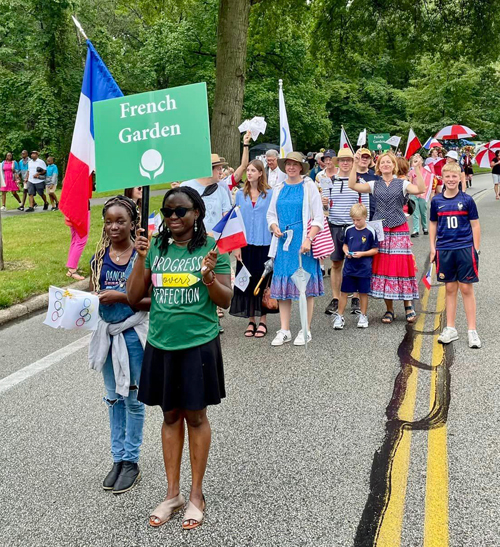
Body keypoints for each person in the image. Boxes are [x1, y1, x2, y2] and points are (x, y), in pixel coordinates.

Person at [127, 187, 232, 530]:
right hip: (160, 344)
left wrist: (209, 278)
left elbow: (226, 299)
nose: (173, 218)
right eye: (167, 212)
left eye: (181, 212)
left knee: (196, 416)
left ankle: (196, 495)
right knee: (170, 415)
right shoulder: (155, 246)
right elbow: (133, 297)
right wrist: (140, 257)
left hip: (198, 344)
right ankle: (172, 494)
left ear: (197, 213)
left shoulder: (212, 248)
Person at [88, 195, 150, 494]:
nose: (114, 227)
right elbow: (92, 299)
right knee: (113, 398)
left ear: (132, 223)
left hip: (133, 335)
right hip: (107, 336)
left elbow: (154, 301)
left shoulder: (143, 257)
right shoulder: (98, 259)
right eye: (109, 222)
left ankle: (132, 461)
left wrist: (122, 297)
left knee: (133, 400)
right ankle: (118, 457)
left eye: (120, 221)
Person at [349, 151, 425, 324]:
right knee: (384, 266)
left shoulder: (403, 183)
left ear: (393, 165)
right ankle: (389, 309)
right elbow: (352, 184)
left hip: (399, 227)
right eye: (382, 162)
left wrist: (417, 168)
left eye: (389, 163)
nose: (385, 165)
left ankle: (408, 306)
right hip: (381, 229)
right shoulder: (374, 184)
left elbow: (420, 189)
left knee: (401, 265)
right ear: (378, 166)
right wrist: (355, 164)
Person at [267, 151, 324, 346]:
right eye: (288, 164)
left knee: (304, 285)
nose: (291, 167)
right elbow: (271, 214)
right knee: (283, 285)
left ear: (301, 167)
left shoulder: (309, 187)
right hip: (283, 243)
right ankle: (284, 329)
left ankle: (305, 329)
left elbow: (318, 217)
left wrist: (309, 239)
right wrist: (274, 227)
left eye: (295, 164)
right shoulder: (279, 187)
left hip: (302, 242)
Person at [429, 162, 481, 349]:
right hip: (444, 249)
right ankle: (450, 328)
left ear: (460, 178)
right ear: (443, 178)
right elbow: (433, 224)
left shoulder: (467, 200)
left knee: (466, 288)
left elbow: (475, 224)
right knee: (450, 288)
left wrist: (475, 248)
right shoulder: (436, 201)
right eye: (447, 177)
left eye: (454, 176)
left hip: (464, 248)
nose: (451, 180)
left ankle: (472, 330)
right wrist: (433, 248)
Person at [230, 160, 277, 337]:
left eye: (252, 170)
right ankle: (251, 320)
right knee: (246, 281)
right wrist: (236, 246)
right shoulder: (240, 195)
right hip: (245, 244)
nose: (248, 173)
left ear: (260, 173)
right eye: (247, 170)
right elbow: (235, 220)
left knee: (262, 281)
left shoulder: (270, 194)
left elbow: (274, 217)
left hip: (264, 243)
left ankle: (263, 320)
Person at [321, 148, 370, 316]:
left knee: (356, 263)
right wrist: (324, 203)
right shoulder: (329, 181)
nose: (345, 163)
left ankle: (356, 297)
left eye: (349, 160)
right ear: (338, 162)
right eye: (342, 160)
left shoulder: (360, 180)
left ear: (353, 162)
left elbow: (366, 208)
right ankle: (336, 298)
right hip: (335, 226)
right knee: (335, 264)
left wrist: (366, 228)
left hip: (353, 227)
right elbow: (325, 208)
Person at [333, 203, 378, 330]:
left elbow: (375, 250)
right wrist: (346, 251)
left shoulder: (370, 231)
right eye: (353, 220)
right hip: (349, 267)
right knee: (344, 292)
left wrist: (362, 254)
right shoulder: (349, 230)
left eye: (358, 220)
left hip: (364, 267)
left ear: (365, 217)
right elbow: (345, 245)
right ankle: (339, 316)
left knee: (363, 293)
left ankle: (363, 315)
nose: (356, 222)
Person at [409, 154, 433, 237]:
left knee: (423, 212)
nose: (417, 161)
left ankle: (425, 227)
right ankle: (416, 230)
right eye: (415, 160)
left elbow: (429, 182)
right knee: (415, 213)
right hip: (414, 195)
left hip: (423, 194)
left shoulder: (426, 172)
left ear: (422, 161)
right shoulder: (412, 172)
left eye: (419, 159)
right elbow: (410, 183)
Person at [356, 147, 377, 220]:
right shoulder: (351, 175)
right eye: (362, 157)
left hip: (372, 215)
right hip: (355, 216)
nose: (364, 159)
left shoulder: (376, 176)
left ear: (370, 160)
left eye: (367, 157)